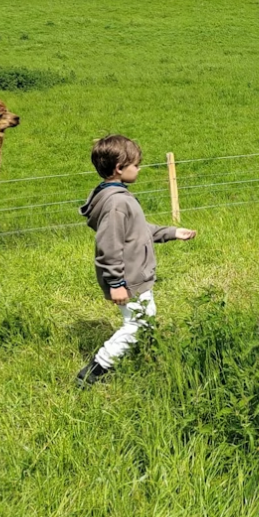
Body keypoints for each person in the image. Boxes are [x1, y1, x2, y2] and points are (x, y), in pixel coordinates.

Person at [76, 135, 196, 386]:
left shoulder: (116, 197)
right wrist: (116, 282)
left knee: (145, 317)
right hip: (128, 277)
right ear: (120, 168)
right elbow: (108, 246)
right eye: (136, 164)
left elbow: (138, 230)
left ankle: (148, 355)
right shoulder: (117, 203)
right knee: (139, 323)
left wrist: (172, 233)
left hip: (134, 274)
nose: (139, 169)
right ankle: (97, 369)